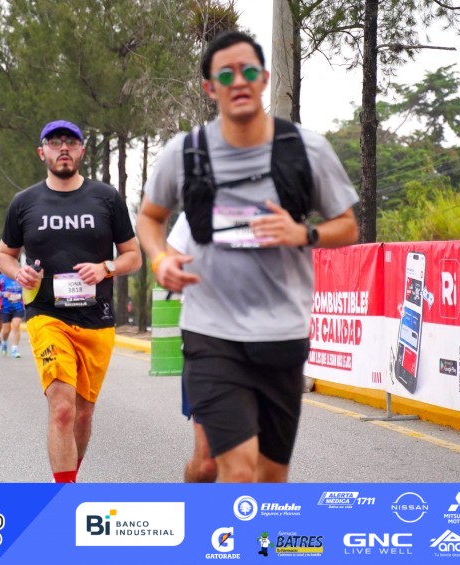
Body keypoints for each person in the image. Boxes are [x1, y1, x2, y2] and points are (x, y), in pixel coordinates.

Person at [136, 31, 359, 482]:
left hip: (282, 333)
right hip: (211, 333)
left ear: (264, 79)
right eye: (226, 74)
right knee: (234, 470)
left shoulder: (306, 149)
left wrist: (303, 232)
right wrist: (160, 260)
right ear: (209, 87)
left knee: (271, 477)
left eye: (248, 71)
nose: (238, 81)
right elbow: (149, 217)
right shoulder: (185, 152)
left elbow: (347, 226)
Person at [0, 119, 142, 483]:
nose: (63, 147)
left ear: (82, 151)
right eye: (54, 142)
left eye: (71, 142)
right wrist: (18, 273)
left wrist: (106, 267)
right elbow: (4, 255)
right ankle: (64, 492)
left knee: (83, 412)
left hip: (97, 319)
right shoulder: (24, 202)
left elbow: (133, 256)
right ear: (41, 152)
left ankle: (68, 477)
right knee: (62, 408)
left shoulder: (107, 198)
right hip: (47, 315)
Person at [166, 213, 217, 483]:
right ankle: (195, 504)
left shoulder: (277, 205)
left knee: (256, 460)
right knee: (208, 464)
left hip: (264, 343)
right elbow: (170, 258)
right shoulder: (198, 210)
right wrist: (169, 269)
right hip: (207, 341)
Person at [0, 272, 24, 358]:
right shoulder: (1, 277)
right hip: (5, 307)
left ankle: (15, 350)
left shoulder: (21, 277)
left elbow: (27, 289)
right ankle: (4, 343)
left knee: (16, 325)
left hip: (18, 307)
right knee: (6, 330)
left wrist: (22, 295)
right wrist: (2, 293)